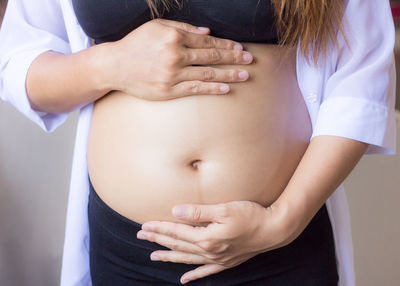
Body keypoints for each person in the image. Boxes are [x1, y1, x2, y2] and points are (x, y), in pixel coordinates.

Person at [0, 0, 396, 285]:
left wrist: (282, 221)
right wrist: (109, 65)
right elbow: (18, 65)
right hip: (129, 252)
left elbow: (362, 75)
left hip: (279, 247)